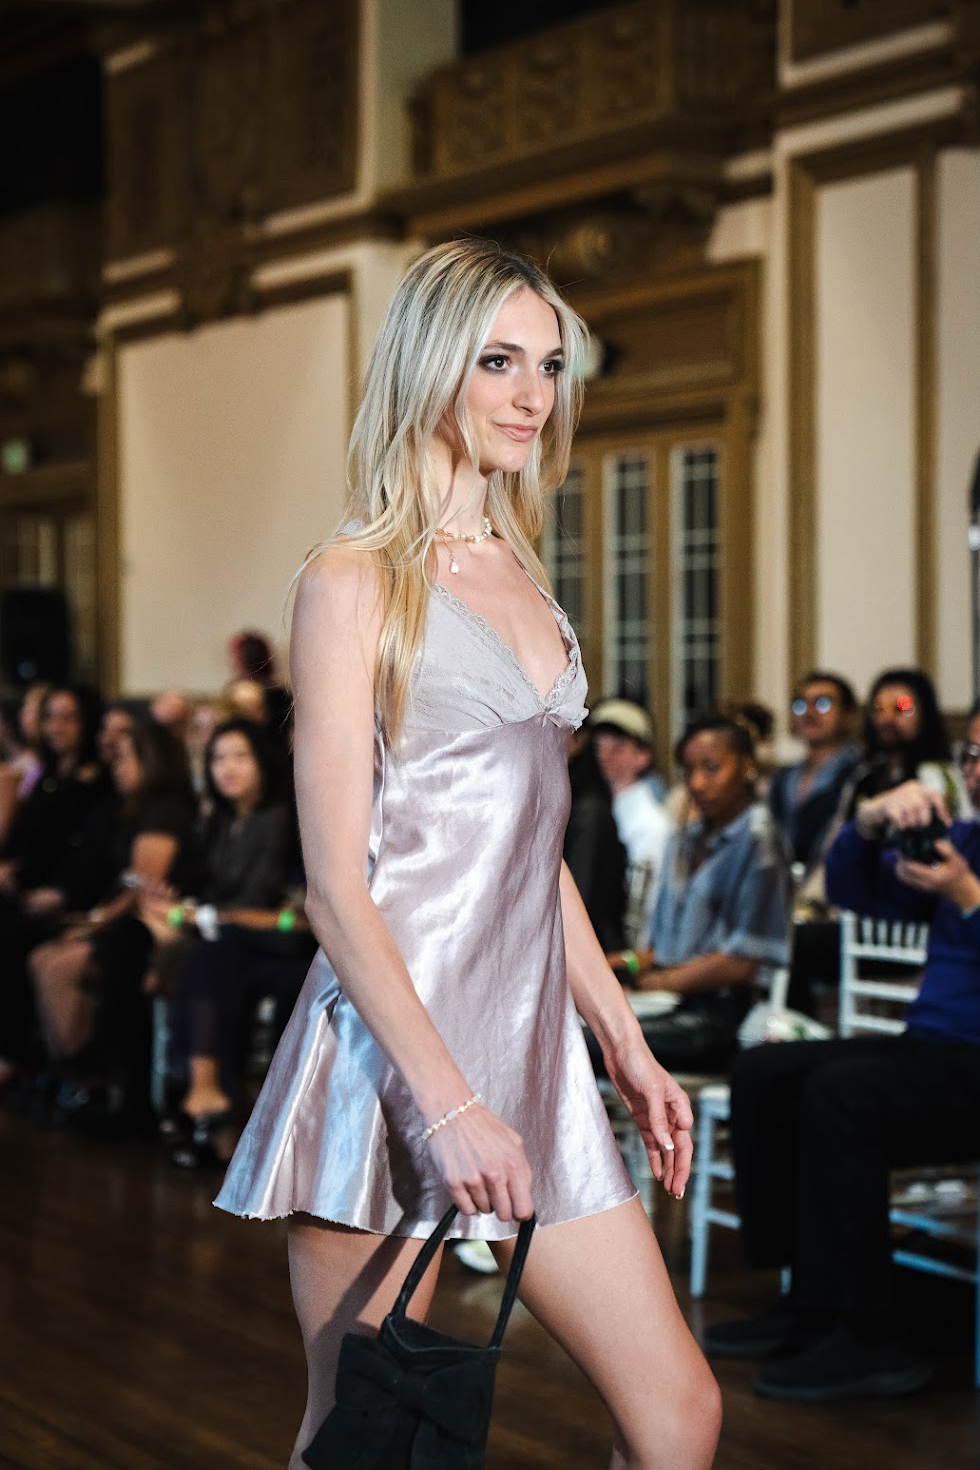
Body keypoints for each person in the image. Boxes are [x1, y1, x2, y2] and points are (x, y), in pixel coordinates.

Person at [213, 239, 719, 1470]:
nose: (530, 394)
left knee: (678, 1418)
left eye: (548, 364)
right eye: (497, 360)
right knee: (369, 1439)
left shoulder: (528, 582)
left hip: (535, 1058)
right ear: (428, 366)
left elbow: (530, 859)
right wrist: (442, 1106)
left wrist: (624, 1040)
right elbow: (336, 882)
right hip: (393, 1063)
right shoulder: (351, 582)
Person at [704, 709, 980, 1400]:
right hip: (935, 1053)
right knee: (765, 1071)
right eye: (971, 753)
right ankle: (810, 1297)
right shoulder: (965, 838)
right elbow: (853, 892)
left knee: (843, 1094)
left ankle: (868, 1336)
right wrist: (867, 821)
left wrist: (968, 895)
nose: (976, 769)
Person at [619, 713, 792, 1073]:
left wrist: (657, 985)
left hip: (724, 1017)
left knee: (595, 1040)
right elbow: (669, 949)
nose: (696, 783)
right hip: (674, 1001)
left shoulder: (758, 840)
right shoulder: (689, 837)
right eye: (688, 770)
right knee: (579, 1023)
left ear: (747, 767)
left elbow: (742, 962)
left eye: (712, 768)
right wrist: (624, 964)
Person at [591, 698, 672, 947]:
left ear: (642, 756)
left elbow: (639, 913)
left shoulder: (649, 823)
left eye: (618, 747)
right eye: (598, 746)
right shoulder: (600, 806)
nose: (604, 755)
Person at [839, 666, 967, 821]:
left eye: (902, 708)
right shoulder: (863, 776)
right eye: (878, 708)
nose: (886, 719)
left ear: (925, 713)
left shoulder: (945, 773)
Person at [768, 672, 860, 877]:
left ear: (848, 715)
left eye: (823, 703)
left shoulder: (861, 774)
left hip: (837, 887)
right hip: (784, 892)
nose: (809, 713)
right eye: (800, 705)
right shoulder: (783, 777)